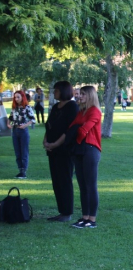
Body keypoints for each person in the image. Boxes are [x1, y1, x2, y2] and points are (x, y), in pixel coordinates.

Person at [43, 81, 79, 222]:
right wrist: (46, 141)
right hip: (52, 150)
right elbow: (49, 125)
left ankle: (67, 212)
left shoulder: (72, 107)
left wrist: (55, 144)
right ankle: (61, 211)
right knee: (56, 180)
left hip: (64, 150)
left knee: (64, 180)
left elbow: (69, 130)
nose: (54, 93)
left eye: (56, 90)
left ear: (63, 91)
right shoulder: (55, 107)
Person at [67, 86, 102, 229]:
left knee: (90, 185)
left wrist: (76, 135)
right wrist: (75, 132)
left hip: (90, 149)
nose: (79, 96)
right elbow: (72, 127)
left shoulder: (94, 111)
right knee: (82, 186)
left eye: (82, 94)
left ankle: (91, 219)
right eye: (79, 94)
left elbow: (83, 130)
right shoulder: (81, 111)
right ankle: (84, 217)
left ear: (90, 96)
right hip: (79, 150)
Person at [7, 91, 36, 178]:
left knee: (24, 151)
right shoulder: (14, 108)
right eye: (15, 97)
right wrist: (8, 124)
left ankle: (24, 171)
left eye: (18, 97)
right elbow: (10, 118)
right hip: (15, 131)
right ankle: (20, 170)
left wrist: (25, 125)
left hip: (23, 131)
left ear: (22, 97)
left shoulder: (27, 107)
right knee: (17, 152)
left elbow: (33, 119)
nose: (16, 99)